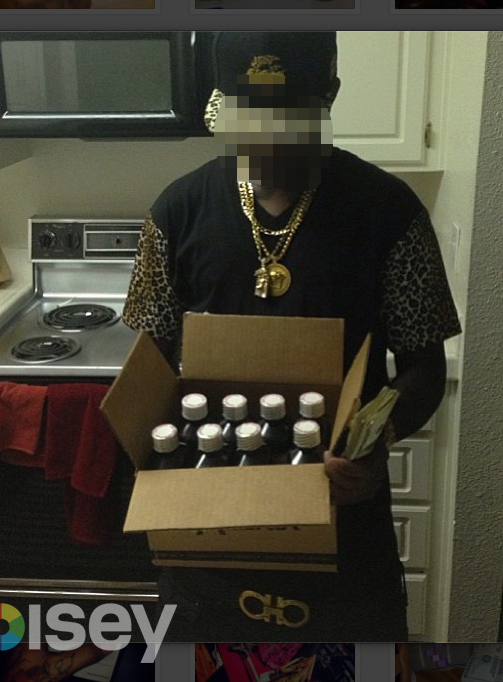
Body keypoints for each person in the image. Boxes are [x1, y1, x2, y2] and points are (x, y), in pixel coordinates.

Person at [123, 32, 461, 641]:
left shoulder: (389, 211)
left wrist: (376, 442)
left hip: (339, 511)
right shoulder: (176, 211)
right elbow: (151, 362)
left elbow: (424, 366)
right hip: (206, 519)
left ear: (329, 96)